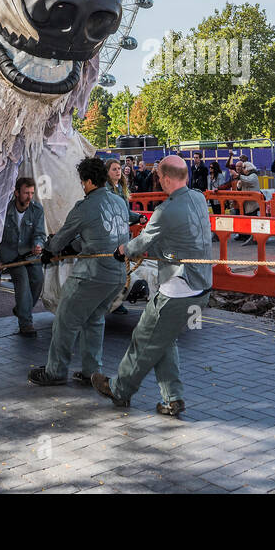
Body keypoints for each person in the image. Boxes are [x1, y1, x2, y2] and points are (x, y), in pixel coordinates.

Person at [92, 156, 212, 416]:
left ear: (167, 179)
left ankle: (119, 389)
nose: (158, 180)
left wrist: (123, 250)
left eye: (159, 177)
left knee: (144, 339)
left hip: (179, 289)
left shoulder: (165, 211)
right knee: (163, 339)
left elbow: (142, 242)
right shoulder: (199, 199)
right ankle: (172, 398)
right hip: (202, 286)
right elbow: (180, 237)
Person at [28, 157, 132, 386]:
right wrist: (72, 247)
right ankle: (90, 372)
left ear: (87, 181)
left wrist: (49, 251)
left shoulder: (84, 206)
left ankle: (55, 372)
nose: (82, 186)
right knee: (94, 320)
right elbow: (96, 236)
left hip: (92, 275)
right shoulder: (119, 202)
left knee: (65, 320)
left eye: (82, 182)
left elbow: (63, 236)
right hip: (116, 275)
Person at [0, 177, 47, 336]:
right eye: (26, 193)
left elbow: (40, 234)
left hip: (31, 254)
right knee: (23, 284)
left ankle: (21, 309)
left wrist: (38, 244)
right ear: (17, 192)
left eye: (32, 193)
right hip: (12, 256)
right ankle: (26, 323)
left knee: (38, 281)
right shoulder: (4, 210)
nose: (29, 196)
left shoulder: (37, 209)